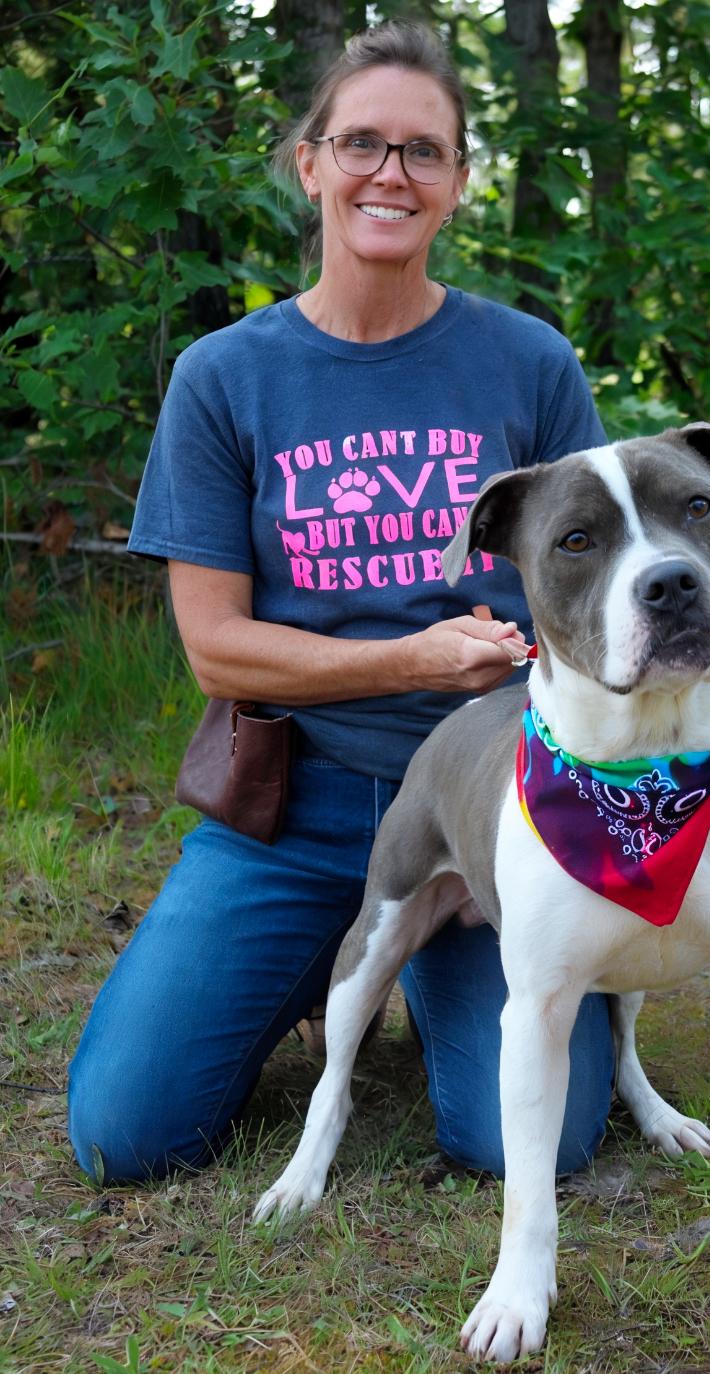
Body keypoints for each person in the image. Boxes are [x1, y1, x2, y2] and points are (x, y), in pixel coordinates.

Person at [67, 21, 614, 1186]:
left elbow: (598, 596)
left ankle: (428, 964)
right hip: (292, 807)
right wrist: (411, 658)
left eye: (424, 152)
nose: (390, 173)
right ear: (309, 163)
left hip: (487, 804)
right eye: (360, 143)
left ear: (458, 184)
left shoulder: (527, 364)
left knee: (529, 1144)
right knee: (124, 1135)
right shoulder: (224, 377)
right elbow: (216, 650)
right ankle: (312, 953)